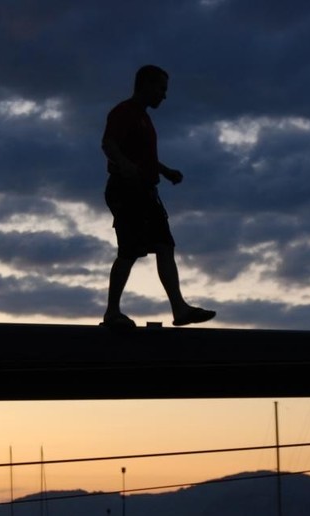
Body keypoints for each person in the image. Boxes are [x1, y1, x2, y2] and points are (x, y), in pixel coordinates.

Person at [101, 65, 216, 328]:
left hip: (146, 191)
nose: (164, 95)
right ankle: (112, 312)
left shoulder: (143, 118)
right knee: (129, 251)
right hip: (126, 190)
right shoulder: (124, 112)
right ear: (145, 85)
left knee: (165, 246)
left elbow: (144, 156)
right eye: (161, 88)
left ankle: (180, 309)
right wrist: (123, 164)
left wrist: (164, 171)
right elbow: (108, 143)